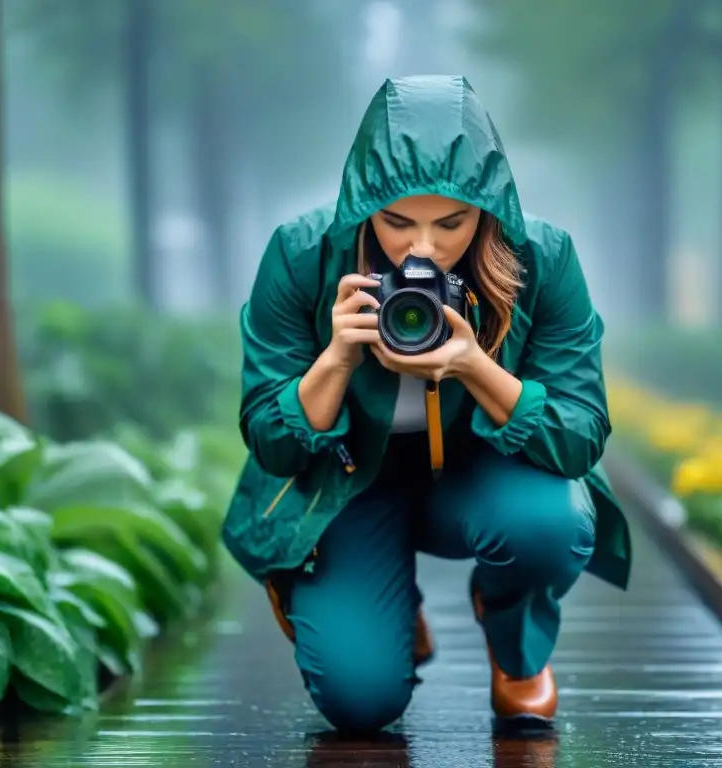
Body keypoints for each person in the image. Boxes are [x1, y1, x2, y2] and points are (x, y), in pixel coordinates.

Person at [221, 74, 632, 735]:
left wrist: (475, 366)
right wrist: (335, 359)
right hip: (351, 484)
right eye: (395, 222)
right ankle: (382, 600)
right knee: (360, 702)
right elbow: (273, 444)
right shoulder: (303, 255)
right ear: (363, 205)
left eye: (451, 224)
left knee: (548, 525)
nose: (423, 248)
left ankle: (515, 643)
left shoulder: (541, 260)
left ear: (487, 209)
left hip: (484, 477)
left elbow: (581, 436)